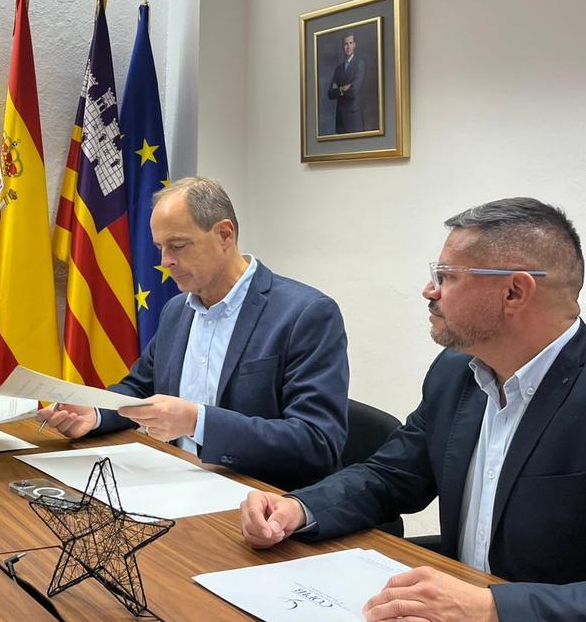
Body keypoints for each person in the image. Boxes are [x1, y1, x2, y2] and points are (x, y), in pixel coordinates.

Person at [240, 197, 586, 621]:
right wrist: (299, 508)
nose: (429, 291)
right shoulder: (456, 373)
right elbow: (390, 476)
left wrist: (493, 607)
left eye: (447, 276)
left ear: (514, 291)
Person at [37, 177, 349, 489]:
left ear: (224, 235)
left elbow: (317, 443)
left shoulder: (306, 314)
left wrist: (198, 422)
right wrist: (96, 413)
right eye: (160, 248)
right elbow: (140, 389)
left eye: (177, 246)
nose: (165, 262)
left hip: (260, 499)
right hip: (172, 482)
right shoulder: (177, 310)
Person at [326, 32, 365, 133]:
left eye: (350, 43)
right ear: (343, 46)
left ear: (354, 45)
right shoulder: (338, 69)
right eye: (345, 44)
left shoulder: (359, 64)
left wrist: (338, 90)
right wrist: (342, 88)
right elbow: (330, 94)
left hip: (354, 119)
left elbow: (353, 92)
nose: (348, 47)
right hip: (340, 120)